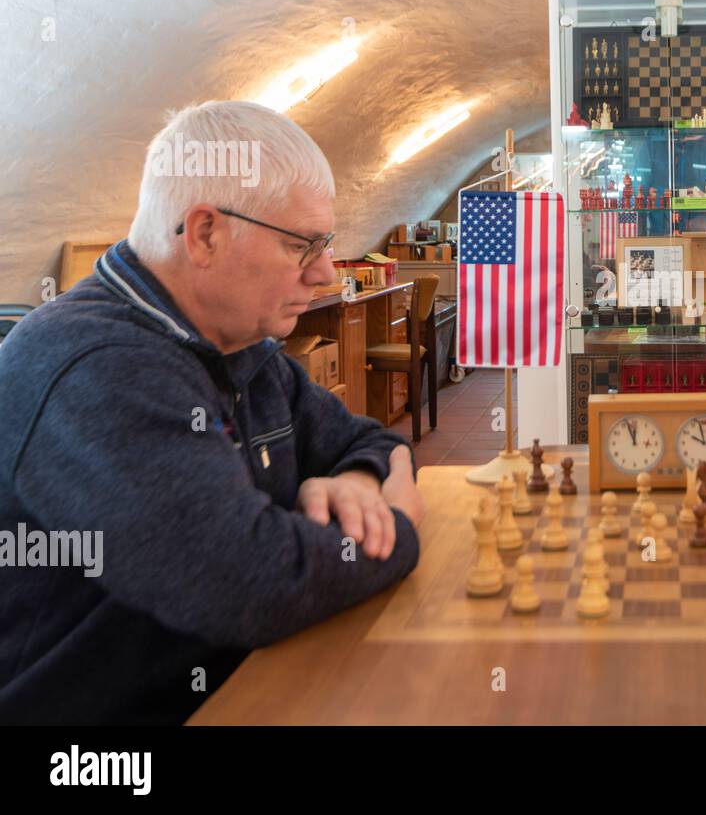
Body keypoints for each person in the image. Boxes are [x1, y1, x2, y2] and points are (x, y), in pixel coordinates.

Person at [0, 101, 425, 723]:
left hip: (243, 689)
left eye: (325, 244)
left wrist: (353, 481)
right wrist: (397, 526)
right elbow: (245, 582)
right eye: (300, 245)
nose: (326, 272)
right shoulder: (96, 366)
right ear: (204, 233)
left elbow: (370, 441)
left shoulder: (240, 342)